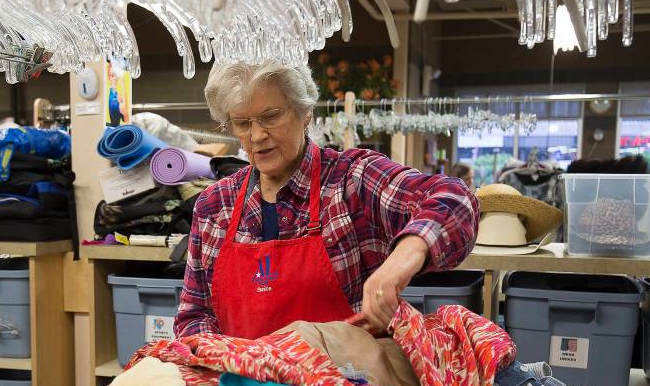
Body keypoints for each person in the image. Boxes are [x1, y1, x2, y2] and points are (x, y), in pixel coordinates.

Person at [174, 62, 478, 340]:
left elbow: (454, 198)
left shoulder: (351, 181)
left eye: (271, 117)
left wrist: (401, 261)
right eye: (242, 123)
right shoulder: (215, 206)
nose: (256, 135)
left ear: (305, 113)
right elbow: (194, 316)